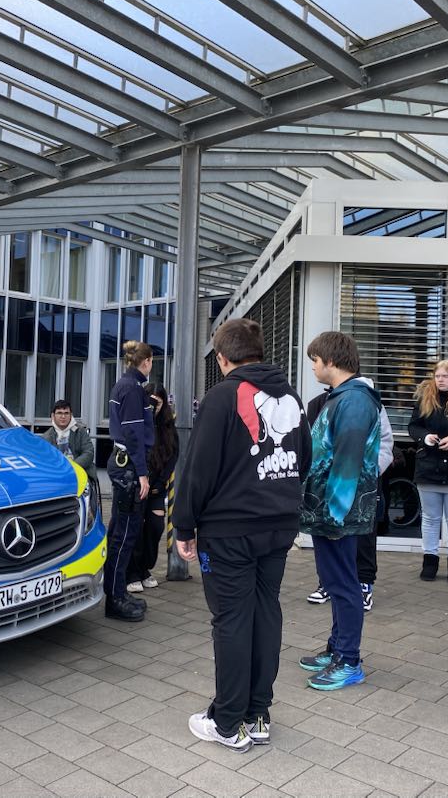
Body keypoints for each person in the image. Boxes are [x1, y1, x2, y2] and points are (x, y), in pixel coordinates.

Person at [172, 318, 311, 752]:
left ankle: (228, 722)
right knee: (265, 611)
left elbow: (197, 469)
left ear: (222, 358)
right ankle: (258, 711)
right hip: (278, 525)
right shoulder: (291, 396)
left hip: (229, 531)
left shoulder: (221, 397)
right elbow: (303, 458)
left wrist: (184, 525)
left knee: (231, 620)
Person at [298, 331, 380, 692]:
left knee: (344, 585)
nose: (314, 367)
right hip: (327, 513)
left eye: (315, 360)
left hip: (337, 515)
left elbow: (348, 462)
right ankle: (337, 648)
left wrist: (334, 513)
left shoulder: (355, 401)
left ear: (330, 361)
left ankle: (349, 660)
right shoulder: (342, 398)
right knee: (335, 583)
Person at [306, 375, 393, 611]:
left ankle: (364, 584)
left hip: (362, 483)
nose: (313, 367)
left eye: (316, 360)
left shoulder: (368, 402)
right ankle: (327, 581)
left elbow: (385, 442)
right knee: (327, 532)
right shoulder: (317, 403)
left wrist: (370, 472)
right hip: (327, 485)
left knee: (363, 535)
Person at [407, 360, 448, 584]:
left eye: (446, 376)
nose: (441, 379)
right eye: (438, 376)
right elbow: (413, 426)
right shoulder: (425, 399)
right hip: (429, 465)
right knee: (430, 517)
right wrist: (425, 437)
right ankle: (430, 560)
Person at [104, 340, 154, 622]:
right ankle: (116, 598)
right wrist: (143, 472)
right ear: (145, 362)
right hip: (129, 468)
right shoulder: (133, 389)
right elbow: (134, 434)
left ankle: (116, 590)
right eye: (151, 363)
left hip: (123, 464)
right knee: (125, 534)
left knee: (119, 532)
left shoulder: (124, 385)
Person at [127, 383, 179, 593]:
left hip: (157, 486)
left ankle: (144, 569)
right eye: (150, 398)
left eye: (158, 399)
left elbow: (173, 454)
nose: (154, 403)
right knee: (136, 530)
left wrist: (161, 482)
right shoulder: (137, 422)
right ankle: (132, 573)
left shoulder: (167, 425)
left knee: (156, 527)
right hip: (138, 486)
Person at [40, 399, 96, 480]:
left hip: (80, 473)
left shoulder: (80, 431)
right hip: (56, 477)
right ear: (53, 416)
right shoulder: (45, 437)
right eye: (59, 413)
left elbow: (88, 453)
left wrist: (71, 467)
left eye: (66, 413)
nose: (63, 417)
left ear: (71, 415)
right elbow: (44, 460)